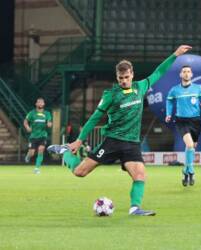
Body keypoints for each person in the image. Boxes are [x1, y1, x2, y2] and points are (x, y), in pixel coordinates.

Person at [48, 45, 192, 216]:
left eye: (126, 77)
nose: (123, 80)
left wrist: (175, 54)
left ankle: (135, 208)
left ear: (132, 74)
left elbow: (159, 72)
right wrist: (79, 140)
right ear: (117, 77)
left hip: (132, 144)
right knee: (80, 172)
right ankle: (66, 152)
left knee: (140, 175)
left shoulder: (141, 87)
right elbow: (94, 118)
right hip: (113, 141)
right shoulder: (111, 95)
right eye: (120, 78)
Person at [165, 65, 201, 186]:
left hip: (195, 121)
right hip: (181, 120)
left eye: (188, 72)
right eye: (184, 72)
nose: (186, 73)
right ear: (181, 75)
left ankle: (185, 170)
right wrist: (168, 114)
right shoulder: (175, 90)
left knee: (191, 147)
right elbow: (169, 100)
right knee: (190, 144)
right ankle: (191, 171)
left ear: (191, 74)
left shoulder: (198, 89)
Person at [23, 97, 52, 174]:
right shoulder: (31, 113)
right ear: (36, 104)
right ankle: (28, 156)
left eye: (42, 102)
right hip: (33, 136)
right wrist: (27, 127)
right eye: (39, 102)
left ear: (44, 104)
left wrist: (49, 124)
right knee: (32, 153)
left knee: (41, 150)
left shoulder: (47, 113)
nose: (40, 103)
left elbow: (49, 121)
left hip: (43, 135)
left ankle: (37, 168)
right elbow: (25, 122)